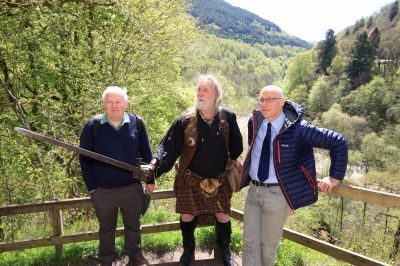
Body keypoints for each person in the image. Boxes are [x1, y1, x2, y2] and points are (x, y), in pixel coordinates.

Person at [239, 85, 348, 266]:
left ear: (282, 102)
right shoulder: (254, 122)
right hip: (254, 191)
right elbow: (255, 151)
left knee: (268, 246)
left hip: (278, 195)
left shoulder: (299, 129)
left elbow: (338, 142)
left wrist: (334, 176)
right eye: (261, 99)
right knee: (249, 242)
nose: (264, 104)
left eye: (269, 100)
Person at [146, 75, 243, 266]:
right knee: (187, 215)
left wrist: (235, 158)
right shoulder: (185, 119)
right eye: (198, 90)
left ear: (216, 95)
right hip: (189, 179)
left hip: (220, 180)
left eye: (205, 90)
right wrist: (155, 165)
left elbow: (237, 147)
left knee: (223, 215)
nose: (200, 93)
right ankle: (188, 251)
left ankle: (225, 249)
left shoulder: (228, 118)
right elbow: (168, 146)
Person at [79, 86, 153, 266]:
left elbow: (148, 154)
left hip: (131, 187)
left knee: (134, 226)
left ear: (126, 104)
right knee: (106, 229)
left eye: (118, 102)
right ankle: (106, 260)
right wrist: (93, 188)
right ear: (104, 104)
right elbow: (84, 159)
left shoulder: (138, 123)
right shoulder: (93, 126)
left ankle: (135, 257)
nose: (114, 106)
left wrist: (150, 179)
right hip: (103, 191)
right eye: (110, 102)